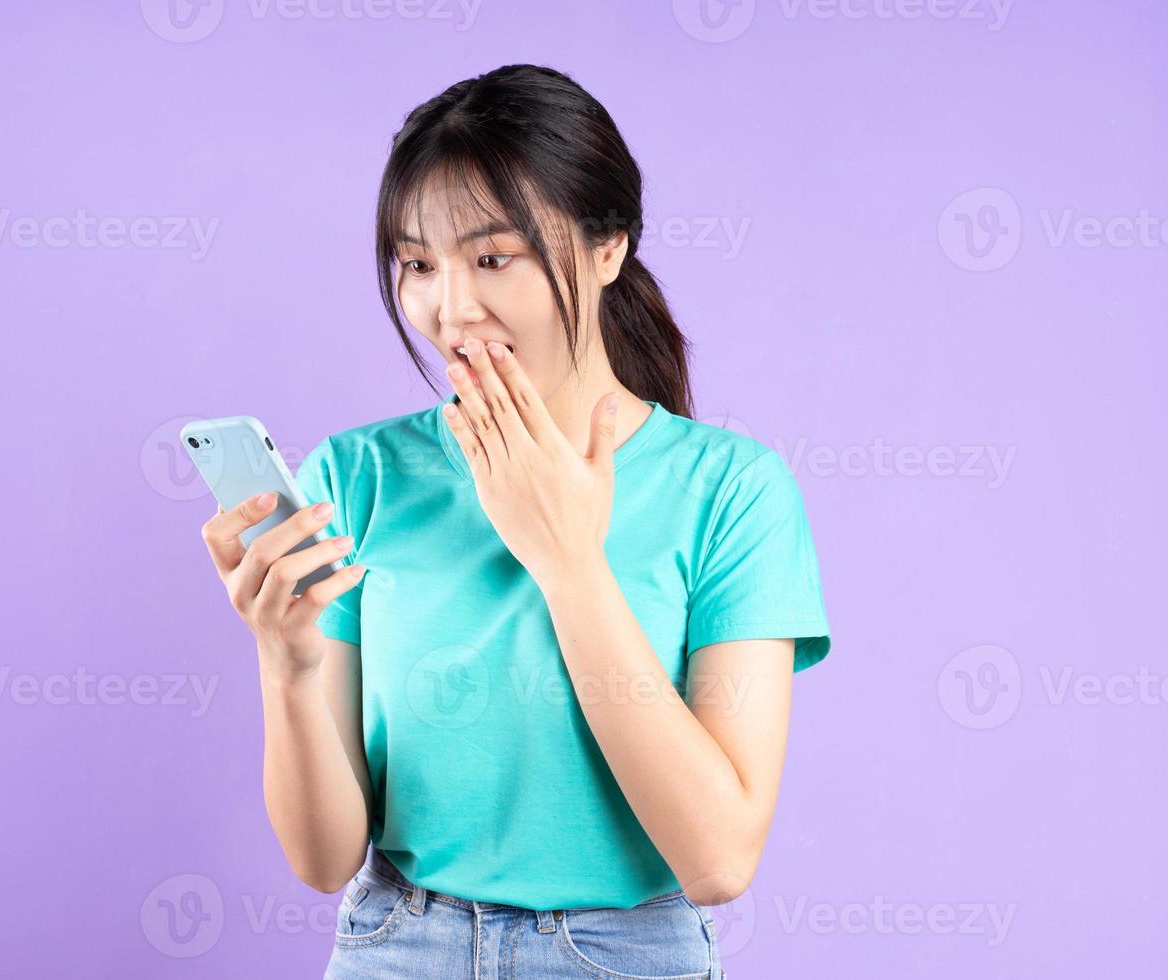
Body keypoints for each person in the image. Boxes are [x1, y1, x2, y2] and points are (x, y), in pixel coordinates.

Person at [197, 63, 831, 979]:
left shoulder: (733, 492)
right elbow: (324, 859)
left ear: (608, 248)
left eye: (493, 259)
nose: (451, 312)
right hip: (395, 946)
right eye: (418, 265)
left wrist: (569, 562)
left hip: (622, 954)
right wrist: (286, 661)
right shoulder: (355, 477)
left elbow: (720, 857)